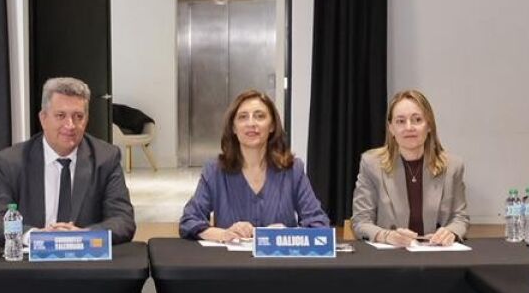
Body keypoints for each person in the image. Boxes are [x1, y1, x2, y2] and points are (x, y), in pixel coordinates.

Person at [0, 77, 136, 246]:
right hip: (31, 258)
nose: (70, 125)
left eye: (78, 116)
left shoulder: (106, 158)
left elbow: (123, 220)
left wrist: (84, 235)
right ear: (43, 118)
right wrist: (35, 236)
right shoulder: (13, 160)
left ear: (86, 119)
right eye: (61, 116)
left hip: (85, 257)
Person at [180, 90, 329, 241]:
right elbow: (189, 221)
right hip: (230, 256)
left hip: (279, 256)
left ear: (272, 126)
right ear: (233, 128)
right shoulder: (215, 171)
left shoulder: (292, 170)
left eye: (260, 116)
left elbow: (319, 224)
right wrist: (223, 234)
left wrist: (284, 235)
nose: (251, 123)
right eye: (243, 117)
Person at [350, 89, 468, 246]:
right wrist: (387, 236)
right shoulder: (371, 164)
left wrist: (451, 232)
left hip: (437, 253)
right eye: (400, 121)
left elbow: (460, 218)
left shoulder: (453, 166)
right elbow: (360, 221)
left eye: (417, 120)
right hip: (390, 255)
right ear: (391, 128)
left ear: (429, 125)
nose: (409, 127)